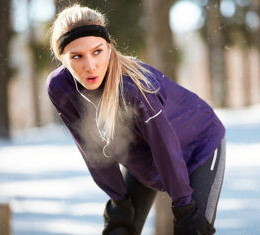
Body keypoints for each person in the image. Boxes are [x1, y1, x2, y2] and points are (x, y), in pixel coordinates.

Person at [47, 4, 226, 235]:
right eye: (77, 56)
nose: (90, 66)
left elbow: (165, 145)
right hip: (144, 156)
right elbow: (92, 150)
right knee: (120, 229)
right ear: (62, 59)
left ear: (109, 49)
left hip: (199, 145)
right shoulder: (60, 88)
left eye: (97, 51)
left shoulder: (134, 89)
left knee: (192, 231)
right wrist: (119, 200)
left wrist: (183, 207)